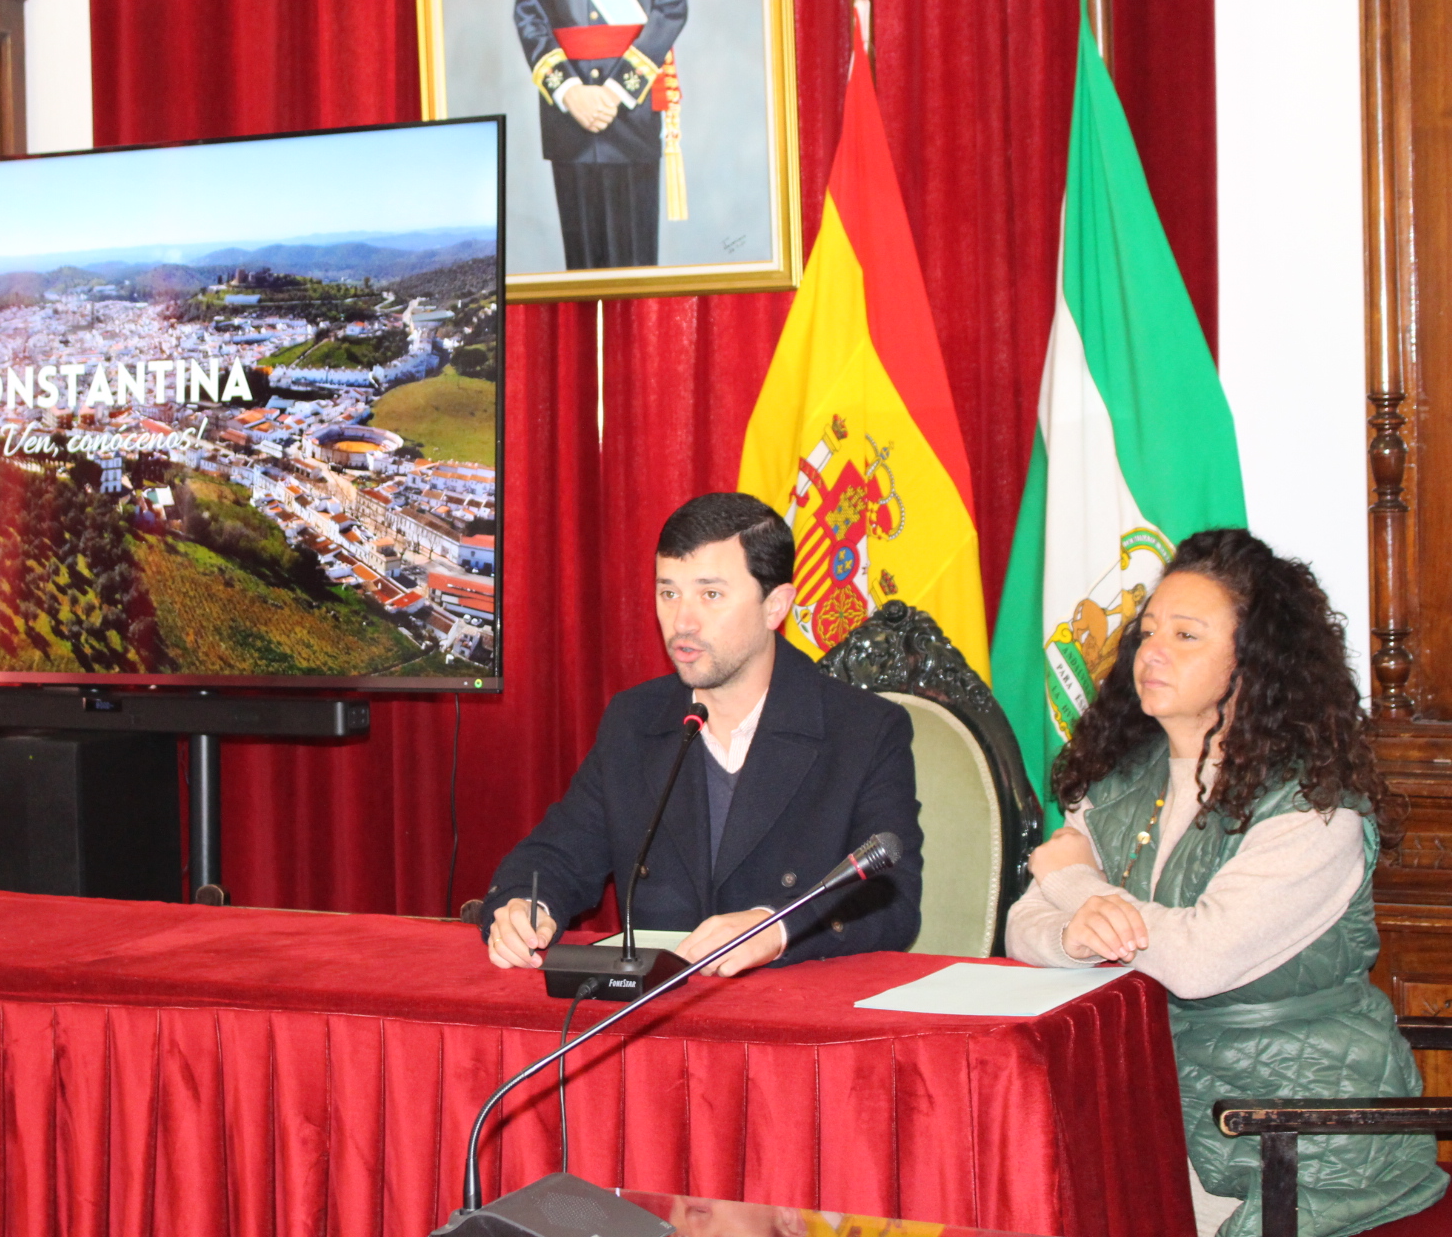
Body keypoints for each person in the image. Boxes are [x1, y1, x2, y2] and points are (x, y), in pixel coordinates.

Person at [1006, 529, 1446, 1236]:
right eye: (1149, 630)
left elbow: (1198, 959)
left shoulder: (1315, 804)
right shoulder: (1121, 779)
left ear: (1258, 660)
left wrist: (1080, 887)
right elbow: (1023, 928)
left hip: (1297, 1133)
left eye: (1186, 635)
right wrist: (1073, 932)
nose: (1151, 651)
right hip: (1152, 1104)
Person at [480, 492, 922, 974]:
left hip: (791, 1006)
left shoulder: (863, 730)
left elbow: (891, 898)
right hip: (656, 1006)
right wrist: (526, 905)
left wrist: (776, 929)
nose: (682, 622)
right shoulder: (636, 719)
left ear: (775, 606)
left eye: (710, 595)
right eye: (668, 593)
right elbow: (559, 853)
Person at [514, 0, 687, 270]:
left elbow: (671, 7)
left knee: (636, 269)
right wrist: (568, 90)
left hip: (633, 113)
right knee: (582, 268)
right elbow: (529, 13)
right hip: (570, 116)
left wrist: (617, 89)